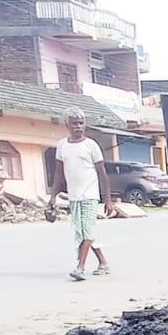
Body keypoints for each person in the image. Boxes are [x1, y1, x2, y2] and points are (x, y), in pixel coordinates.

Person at [49, 108, 113, 280]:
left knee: (88, 231)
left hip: (90, 195)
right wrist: (53, 196)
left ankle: (80, 267)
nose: (78, 126)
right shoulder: (62, 145)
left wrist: (108, 199)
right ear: (67, 125)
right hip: (74, 196)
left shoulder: (91, 145)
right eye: (74, 123)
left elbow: (102, 173)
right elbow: (58, 173)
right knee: (82, 232)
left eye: (81, 123)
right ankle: (103, 263)